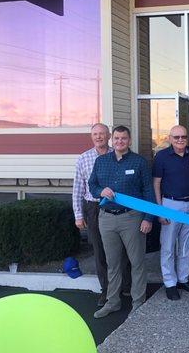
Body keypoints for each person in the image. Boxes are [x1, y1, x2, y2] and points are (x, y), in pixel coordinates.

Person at [88, 125, 154, 318]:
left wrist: (148, 218)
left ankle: (138, 301)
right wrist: (100, 191)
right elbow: (92, 185)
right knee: (113, 263)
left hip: (132, 218)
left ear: (129, 140)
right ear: (112, 140)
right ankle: (113, 302)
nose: (119, 142)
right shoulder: (101, 161)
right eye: (116, 138)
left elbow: (148, 191)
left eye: (123, 138)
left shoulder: (139, 162)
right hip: (107, 219)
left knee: (137, 262)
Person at [73, 123, 131, 307]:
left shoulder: (119, 154)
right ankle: (106, 290)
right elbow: (78, 188)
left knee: (121, 249)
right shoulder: (83, 158)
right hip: (94, 208)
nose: (99, 137)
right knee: (99, 251)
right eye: (95, 134)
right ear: (91, 137)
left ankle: (124, 287)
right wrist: (78, 215)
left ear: (108, 136)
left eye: (102, 134)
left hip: (118, 206)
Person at [153, 125, 189, 301]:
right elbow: (156, 183)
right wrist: (159, 211)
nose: (180, 140)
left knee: (186, 246)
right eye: (176, 137)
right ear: (170, 138)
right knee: (168, 247)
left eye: (183, 137)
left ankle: (183, 279)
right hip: (170, 205)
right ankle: (170, 283)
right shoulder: (162, 156)